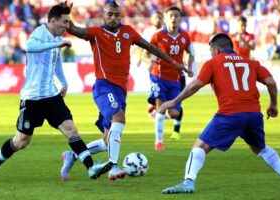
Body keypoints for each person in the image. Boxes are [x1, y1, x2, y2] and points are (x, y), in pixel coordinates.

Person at [0, 2, 113, 187]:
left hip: (52, 96)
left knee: (71, 130)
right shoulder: (39, 33)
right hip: (32, 98)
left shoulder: (55, 38)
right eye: (64, 22)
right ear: (52, 21)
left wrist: (64, 82)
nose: (67, 26)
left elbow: (56, 61)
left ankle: (91, 167)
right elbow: (29, 47)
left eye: (68, 22)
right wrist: (56, 43)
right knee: (21, 141)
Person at [60, 1, 190, 181]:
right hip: (104, 86)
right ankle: (113, 166)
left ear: (120, 16)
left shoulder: (128, 32)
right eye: (109, 14)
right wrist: (66, 13)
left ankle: (72, 156)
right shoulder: (96, 32)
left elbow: (151, 48)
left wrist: (175, 63)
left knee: (107, 141)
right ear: (104, 15)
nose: (113, 18)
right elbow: (73, 29)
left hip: (121, 90)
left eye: (116, 14)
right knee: (119, 119)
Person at [159, 33, 280, 194]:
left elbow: (194, 85)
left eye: (211, 50)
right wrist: (273, 104)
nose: (211, 54)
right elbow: (271, 82)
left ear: (217, 49)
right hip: (253, 115)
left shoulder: (213, 63)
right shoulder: (251, 62)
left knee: (200, 147)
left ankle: (188, 182)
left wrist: (174, 101)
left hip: (230, 114)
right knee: (259, 148)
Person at [142, 6, 194, 150]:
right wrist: (149, 61)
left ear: (180, 19)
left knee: (174, 113)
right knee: (161, 109)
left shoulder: (185, 36)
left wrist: (189, 66)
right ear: (165, 19)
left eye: (176, 16)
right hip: (158, 76)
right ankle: (159, 142)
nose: (173, 18)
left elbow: (190, 53)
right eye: (170, 16)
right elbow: (144, 54)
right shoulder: (157, 35)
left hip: (175, 79)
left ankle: (154, 107)